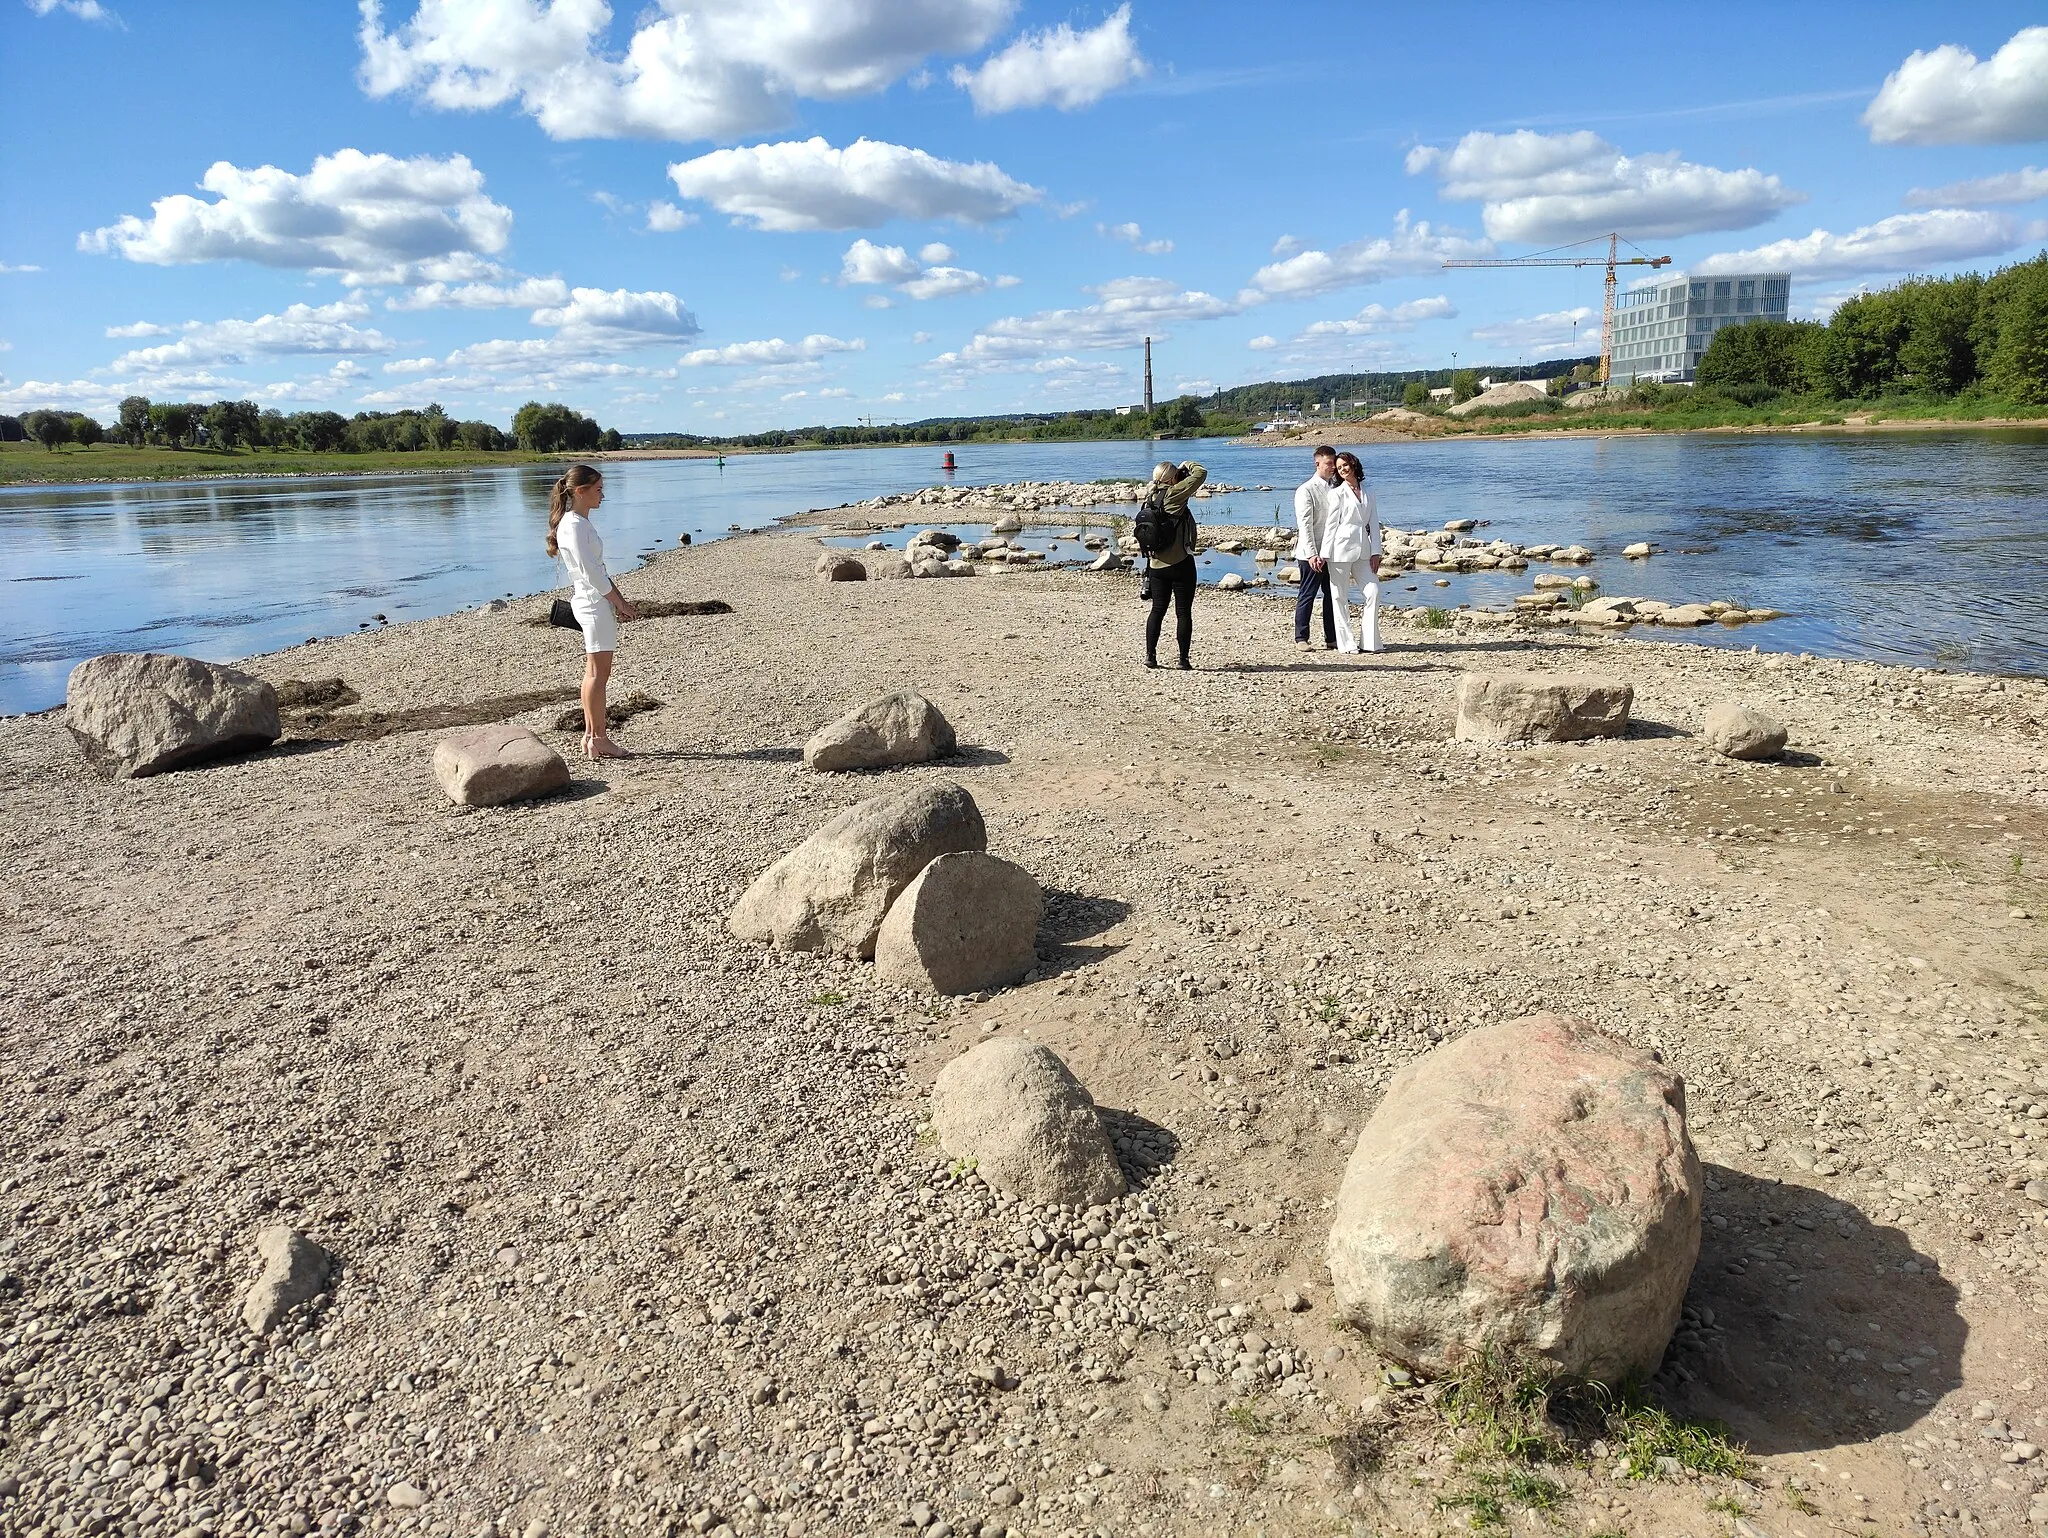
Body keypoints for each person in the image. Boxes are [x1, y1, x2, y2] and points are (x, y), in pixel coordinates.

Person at [545, 463, 640, 759]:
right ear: (580, 491)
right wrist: (618, 602)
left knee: (593, 673)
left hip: (592, 600)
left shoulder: (576, 523)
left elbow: (597, 570)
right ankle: (598, 737)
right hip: (592, 603)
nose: (603, 494)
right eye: (598, 489)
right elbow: (592, 573)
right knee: (599, 675)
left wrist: (618, 600)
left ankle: (591, 737)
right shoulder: (574, 525)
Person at [1140, 458, 1207, 669]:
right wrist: (1187, 464)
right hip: (1180, 564)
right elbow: (1201, 473)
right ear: (1172, 479)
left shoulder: (1149, 498)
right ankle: (1183, 660)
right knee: (1183, 612)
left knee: (1157, 610)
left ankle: (1150, 656)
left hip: (1156, 565)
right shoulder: (1174, 494)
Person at [1322, 451, 1382, 655]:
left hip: (1364, 550)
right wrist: (1324, 553)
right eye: (1339, 468)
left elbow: (1374, 523)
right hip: (1339, 550)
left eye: (1345, 465)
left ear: (1354, 464)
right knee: (1339, 596)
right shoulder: (1336, 493)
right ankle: (1346, 644)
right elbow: (1331, 525)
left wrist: (1376, 552)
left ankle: (1370, 642)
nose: (1343, 469)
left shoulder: (1369, 492)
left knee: (1373, 590)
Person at [1292, 445, 1339, 651]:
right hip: (1310, 553)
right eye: (1329, 464)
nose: (1333, 468)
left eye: (1334, 463)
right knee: (1308, 594)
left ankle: (1332, 638)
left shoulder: (1336, 487)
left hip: (1332, 551)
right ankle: (1301, 638)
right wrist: (1312, 553)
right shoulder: (1306, 490)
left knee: (1333, 595)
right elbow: (1305, 525)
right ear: (1317, 463)